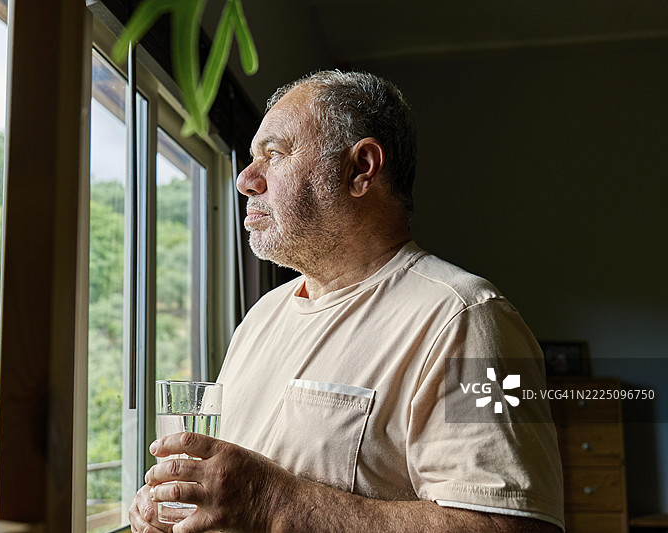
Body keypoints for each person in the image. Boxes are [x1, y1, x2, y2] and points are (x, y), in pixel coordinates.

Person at [129, 70, 564, 533]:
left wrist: (276, 504)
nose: (245, 180)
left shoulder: (469, 318)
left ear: (361, 168)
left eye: (274, 155)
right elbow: (229, 493)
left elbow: (512, 527)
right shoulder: (262, 316)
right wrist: (180, 503)